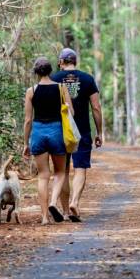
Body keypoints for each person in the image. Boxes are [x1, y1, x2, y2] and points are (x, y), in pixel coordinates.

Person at [51, 48, 103, 222]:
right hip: (82, 131)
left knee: (63, 171)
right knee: (80, 169)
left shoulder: (54, 79)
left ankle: (65, 212)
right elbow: (96, 107)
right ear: (75, 61)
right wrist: (100, 132)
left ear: (61, 62)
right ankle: (75, 202)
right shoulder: (87, 79)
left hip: (61, 132)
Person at [22, 57, 69, 225]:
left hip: (39, 132)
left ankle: (43, 218)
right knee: (60, 172)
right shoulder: (61, 88)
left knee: (43, 176)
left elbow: (28, 120)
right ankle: (53, 202)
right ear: (51, 71)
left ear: (36, 72)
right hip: (57, 131)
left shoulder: (31, 91)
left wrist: (26, 143)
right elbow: (70, 113)